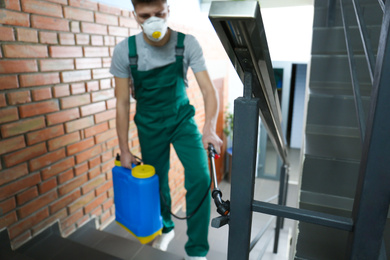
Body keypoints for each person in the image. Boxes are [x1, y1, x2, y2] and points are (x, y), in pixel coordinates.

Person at [110, 0, 223, 259]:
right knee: (156, 181)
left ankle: (196, 250)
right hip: (148, 125)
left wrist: (209, 129)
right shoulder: (125, 51)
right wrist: (124, 150)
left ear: (168, 10)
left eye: (159, 13)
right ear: (135, 15)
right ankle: (166, 228)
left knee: (201, 176)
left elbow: (208, 89)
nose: (153, 20)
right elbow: (121, 102)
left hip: (182, 119)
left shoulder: (187, 43)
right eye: (145, 15)